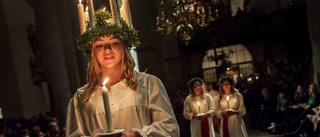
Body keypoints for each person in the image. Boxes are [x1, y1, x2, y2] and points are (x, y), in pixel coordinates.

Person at [65, 10, 179, 137]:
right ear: (92, 52)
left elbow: (169, 129)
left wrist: (140, 135)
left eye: (114, 43)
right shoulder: (81, 98)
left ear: (124, 47)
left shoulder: (148, 84)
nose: (107, 49)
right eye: (99, 45)